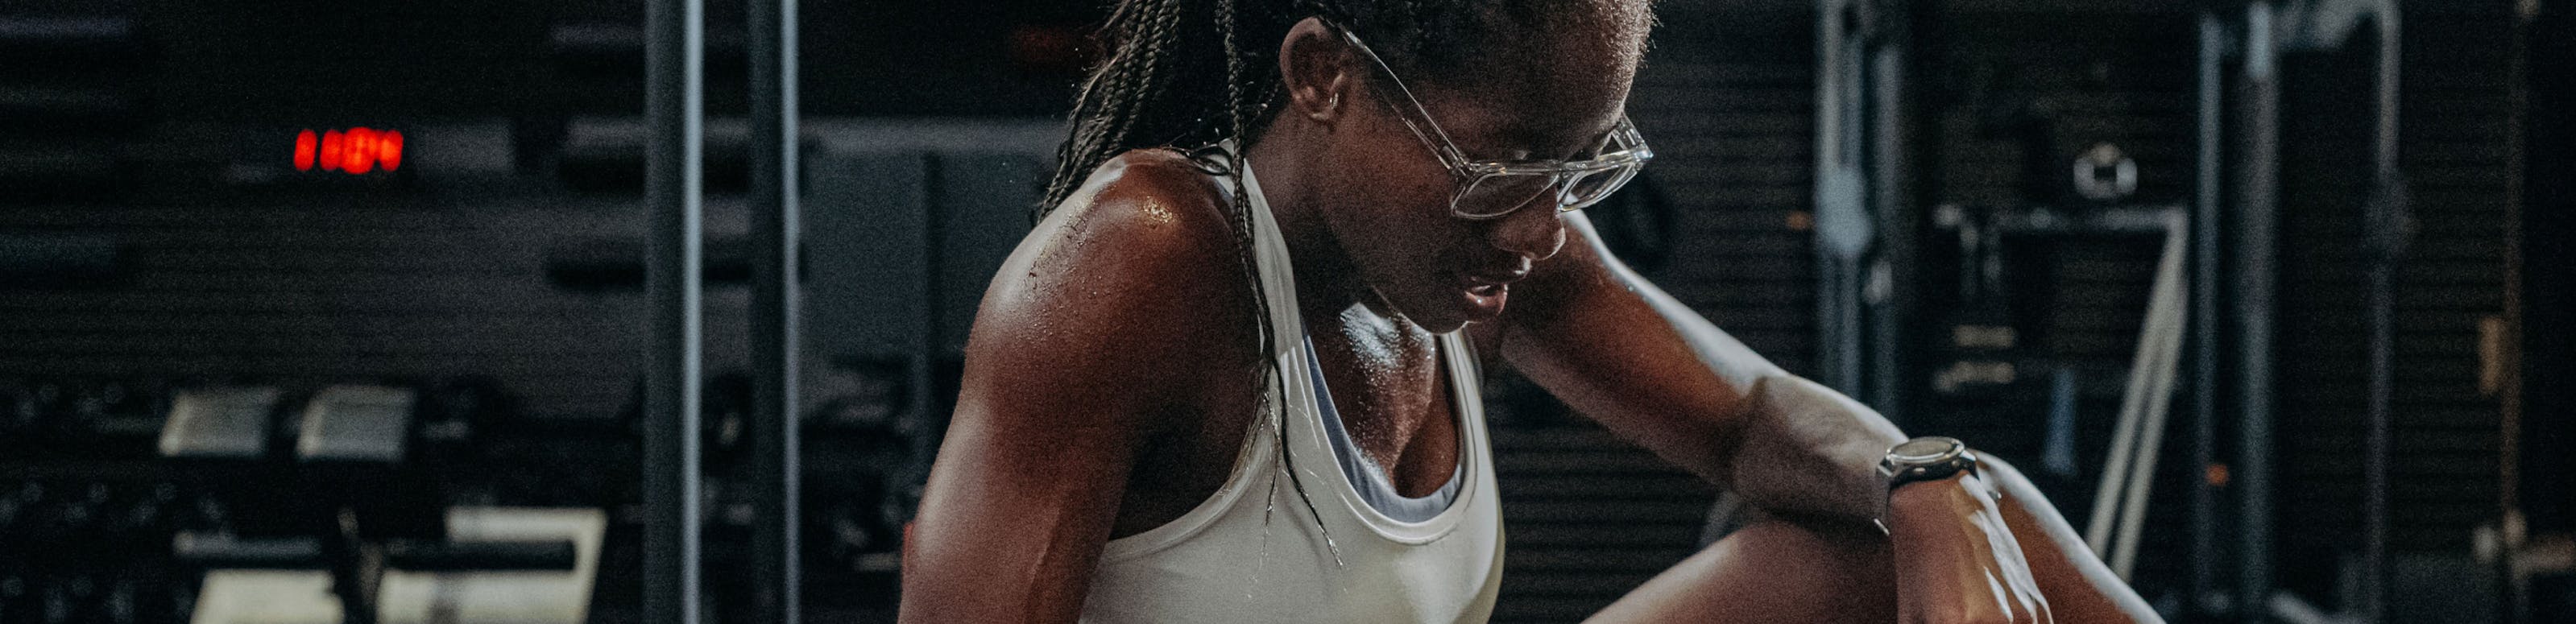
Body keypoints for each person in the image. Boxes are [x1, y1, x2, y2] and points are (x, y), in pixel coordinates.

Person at [901, 1, 2163, 622]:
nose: (1540, 228)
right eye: (1502, 165)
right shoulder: (1142, 262)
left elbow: (1750, 421)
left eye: (1581, 165)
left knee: (1911, 525)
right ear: (1323, 75)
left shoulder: (1490, 249)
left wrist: (1924, 476)